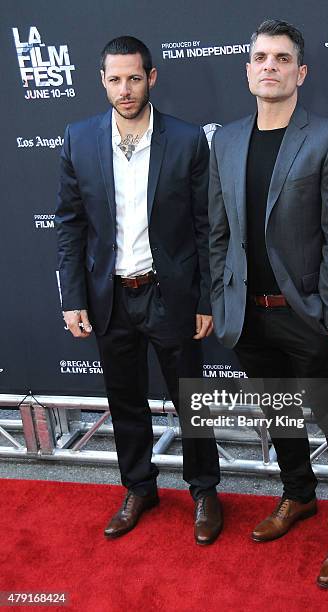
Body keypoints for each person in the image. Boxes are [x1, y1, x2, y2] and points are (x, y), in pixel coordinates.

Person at [208, 19, 328, 587]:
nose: (269, 66)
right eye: (260, 57)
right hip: (248, 314)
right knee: (280, 416)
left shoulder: (327, 137)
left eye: (281, 58)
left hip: (307, 313)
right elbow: (218, 230)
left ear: (300, 72)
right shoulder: (225, 140)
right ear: (248, 69)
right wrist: (221, 299)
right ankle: (298, 495)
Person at [56, 36, 222, 545]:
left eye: (134, 78)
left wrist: (203, 299)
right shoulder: (79, 139)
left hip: (169, 294)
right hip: (111, 297)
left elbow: (205, 226)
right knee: (125, 400)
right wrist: (72, 297)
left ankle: (205, 491)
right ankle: (139, 487)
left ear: (152, 78)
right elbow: (70, 224)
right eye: (114, 79)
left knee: (190, 399)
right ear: (101, 80)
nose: (124, 90)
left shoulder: (188, 140)